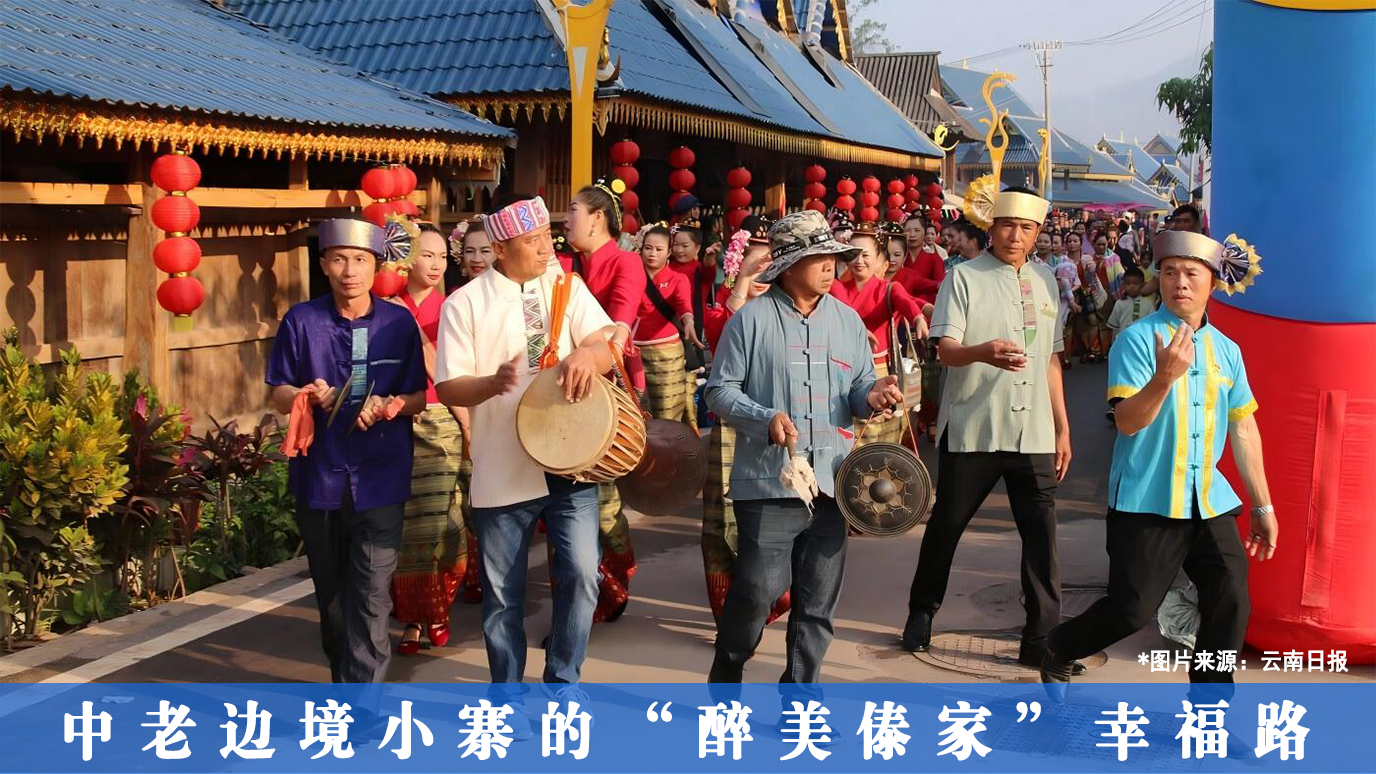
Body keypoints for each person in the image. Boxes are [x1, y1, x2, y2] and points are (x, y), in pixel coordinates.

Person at [1040, 231, 1278, 698]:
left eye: (1191, 274)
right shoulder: (1135, 340)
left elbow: (1244, 429)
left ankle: (1209, 711)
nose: (1179, 283)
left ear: (1213, 283)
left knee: (1230, 601)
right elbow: (1127, 422)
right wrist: (1164, 377)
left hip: (1208, 500)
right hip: (1146, 499)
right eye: (1169, 272)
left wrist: (1262, 506)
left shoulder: (1227, 350)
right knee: (1130, 610)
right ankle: (1062, 646)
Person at [434, 195, 616, 706]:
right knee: (502, 598)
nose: (545, 248)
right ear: (500, 249)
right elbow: (448, 386)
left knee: (582, 573)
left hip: (571, 460)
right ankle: (507, 694)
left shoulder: (566, 286)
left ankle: (563, 681)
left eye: (546, 237)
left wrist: (588, 354)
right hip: (502, 466)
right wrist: (491, 384)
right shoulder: (464, 304)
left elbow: (606, 342)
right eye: (532, 241)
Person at [707, 209, 902, 685]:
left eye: (833, 257)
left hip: (834, 483)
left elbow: (858, 388)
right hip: (769, 482)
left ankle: (799, 699)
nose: (831, 266)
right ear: (789, 265)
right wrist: (764, 417)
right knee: (756, 592)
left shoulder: (848, 321)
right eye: (819, 258)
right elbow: (719, 390)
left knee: (817, 605)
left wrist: (874, 395)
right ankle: (728, 671)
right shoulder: (750, 321)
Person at [901, 189, 1079, 674]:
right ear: (991, 228)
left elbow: (1052, 360)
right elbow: (946, 350)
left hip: (1034, 429)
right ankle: (922, 611)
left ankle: (1041, 640)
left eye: (1027, 228)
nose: (1016, 236)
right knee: (947, 524)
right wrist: (983, 352)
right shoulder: (962, 278)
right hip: (975, 427)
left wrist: (1063, 428)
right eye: (1007, 225)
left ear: (1037, 234)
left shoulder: (1046, 280)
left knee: (1042, 540)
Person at [266, 218, 427, 683]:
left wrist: (389, 405)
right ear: (323, 265)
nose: (349, 271)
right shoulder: (302, 321)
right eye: (338, 259)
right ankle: (346, 685)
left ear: (376, 266)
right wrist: (305, 394)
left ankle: (363, 704)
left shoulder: (399, 323)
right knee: (333, 597)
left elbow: (418, 396)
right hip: (320, 478)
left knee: (372, 596)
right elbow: (277, 392)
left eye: (359, 260)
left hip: (381, 476)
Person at [562, 179, 648, 622]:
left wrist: (593, 352)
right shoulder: (564, 264)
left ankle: (609, 586)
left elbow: (619, 328)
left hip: (607, 390)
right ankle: (577, 596)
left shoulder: (626, 262)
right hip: (563, 387)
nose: (565, 218)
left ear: (597, 218)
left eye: (573, 209)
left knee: (603, 497)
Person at [700, 216, 791, 624]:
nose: (762, 277)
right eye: (754, 268)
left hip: (780, 425)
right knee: (723, 516)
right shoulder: (721, 311)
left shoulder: (790, 311)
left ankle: (770, 592)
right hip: (733, 425)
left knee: (776, 510)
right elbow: (723, 336)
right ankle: (730, 611)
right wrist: (741, 284)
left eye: (770, 268)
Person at [388, 224, 473, 656]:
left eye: (442, 256)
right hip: (396, 422)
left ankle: (437, 604)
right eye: (426, 254)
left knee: (446, 523)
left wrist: (468, 426)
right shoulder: (384, 306)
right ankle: (415, 617)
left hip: (444, 420)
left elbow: (457, 372)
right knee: (410, 526)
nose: (436, 264)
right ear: (406, 257)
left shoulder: (454, 306)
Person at [832, 222, 930, 446]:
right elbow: (843, 312)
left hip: (881, 369)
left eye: (865, 255)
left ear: (879, 259)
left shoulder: (888, 288)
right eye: (853, 254)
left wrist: (918, 316)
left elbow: (905, 302)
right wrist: (859, 329)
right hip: (845, 368)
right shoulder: (838, 287)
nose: (859, 260)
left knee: (883, 434)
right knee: (850, 432)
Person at [635, 223, 703, 424]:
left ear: (668, 252)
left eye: (659, 249)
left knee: (668, 411)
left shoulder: (677, 279)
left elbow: (683, 303)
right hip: (633, 352)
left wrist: (688, 320)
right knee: (636, 411)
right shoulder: (631, 275)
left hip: (666, 353)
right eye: (648, 248)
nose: (652, 254)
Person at [893, 215, 946, 306]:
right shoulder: (897, 258)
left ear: (924, 233)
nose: (912, 235)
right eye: (908, 230)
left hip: (926, 307)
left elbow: (941, 287)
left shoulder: (934, 259)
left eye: (917, 230)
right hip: (900, 304)